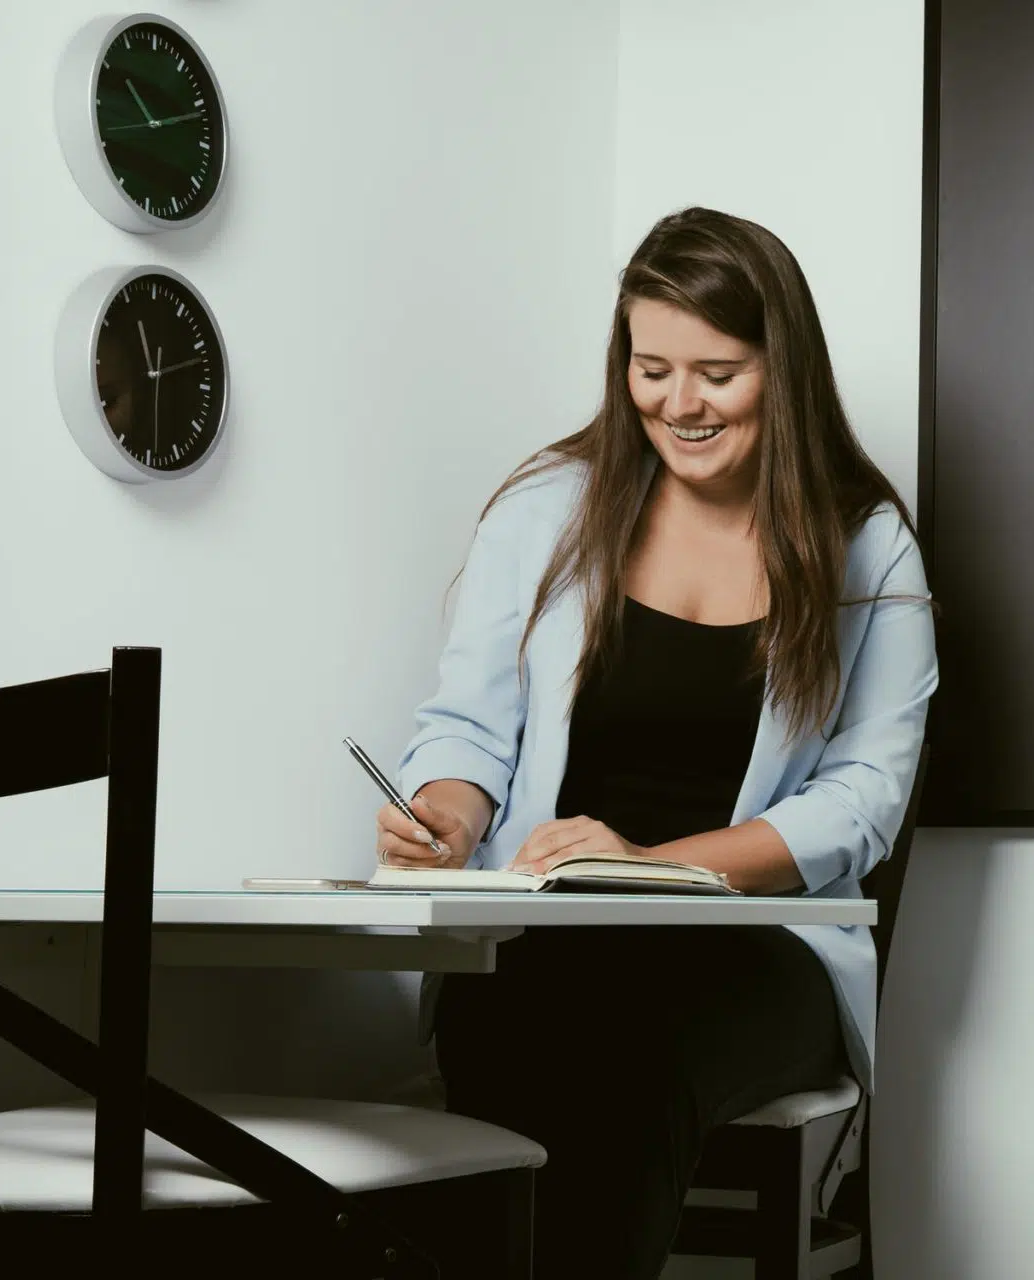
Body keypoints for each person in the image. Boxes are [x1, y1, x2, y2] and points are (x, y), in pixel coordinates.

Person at [376, 206, 937, 1277]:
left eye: (717, 372)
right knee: (525, 1028)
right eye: (652, 368)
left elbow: (864, 798)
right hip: (547, 938)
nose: (679, 403)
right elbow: (466, 728)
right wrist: (442, 815)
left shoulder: (866, 541)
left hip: (756, 950)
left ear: (785, 368)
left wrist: (652, 863)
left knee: (631, 1049)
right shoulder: (547, 507)